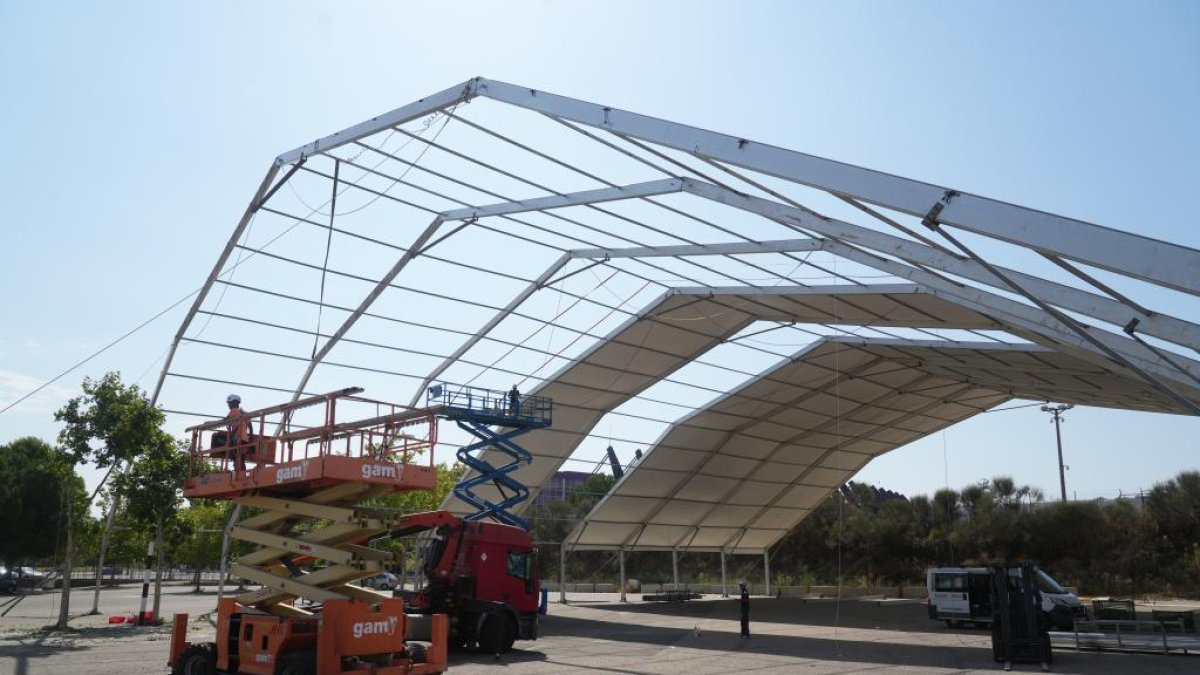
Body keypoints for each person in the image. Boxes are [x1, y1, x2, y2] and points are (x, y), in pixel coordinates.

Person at [225, 394, 252, 470]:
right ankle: (242, 471)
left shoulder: (233, 411)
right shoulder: (244, 413)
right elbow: (251, 427)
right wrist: (251, 439)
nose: (228, 405)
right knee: (241, 458)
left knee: (235, 457)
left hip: (237, 439)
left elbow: (226, 420)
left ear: (235, 403)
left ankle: (238, 471)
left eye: (229, 403)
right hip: (244, 439)